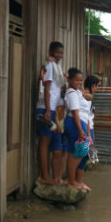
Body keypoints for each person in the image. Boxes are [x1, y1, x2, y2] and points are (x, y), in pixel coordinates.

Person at [36, 41, 66, 184]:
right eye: (57, 52)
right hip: (46, 108)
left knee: (54, 145)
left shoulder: (57, 67)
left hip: (54, 109)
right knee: (44, 141)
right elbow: (46, 89)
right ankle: (44, 176)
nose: (60, 55)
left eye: (61, 52)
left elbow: (56, 89)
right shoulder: (49, 65)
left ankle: (54, 177)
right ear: (51, 51)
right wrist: (48, 110)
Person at [63, 68, 91, 191]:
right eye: (76, 80)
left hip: (78, 122)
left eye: (81, 80)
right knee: (80, 150)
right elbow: (75, 113)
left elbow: (88, 97)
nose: (79, 82)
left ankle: (72, 180)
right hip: (76, 123)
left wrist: (87, 95)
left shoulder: (77, 92)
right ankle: (71, 180)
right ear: (69, 80)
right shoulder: (72, 94)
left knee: (74, 152)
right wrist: (80, 131)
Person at [83, 75, 100, 167]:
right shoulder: (85, 97)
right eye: (97, 86)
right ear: (93, 86)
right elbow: (86, 117)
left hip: (90, 127)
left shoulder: (89, 97)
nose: (97, 88)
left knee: (88, 153)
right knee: (85, 152)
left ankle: (78, 178)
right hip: (87, 127)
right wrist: (89, 134)